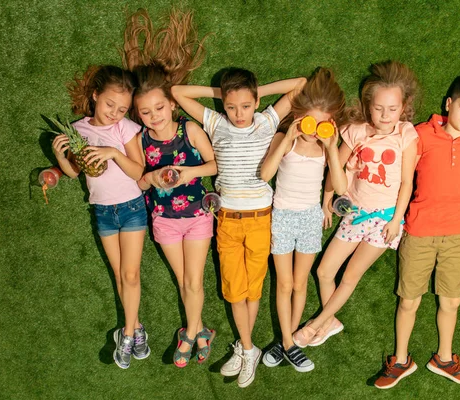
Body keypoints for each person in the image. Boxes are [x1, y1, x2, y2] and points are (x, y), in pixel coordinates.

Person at [373, 73, 460, 389]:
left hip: (456, 236)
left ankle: (444, 359)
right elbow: (401, 179)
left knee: (451, 302)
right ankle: (399, 361)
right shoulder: (420, 135)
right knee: (408, 300)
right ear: (449, 104)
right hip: (418, 232)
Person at [172, 69, 305, 387]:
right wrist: (222, 93)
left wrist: (255, 90)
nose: (239, 113)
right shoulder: (215, 122)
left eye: (246, 105)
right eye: (231, 107)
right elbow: (177, 92)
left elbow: (301, 86)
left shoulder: (267, 120)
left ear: (256, 101)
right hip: (227, 220)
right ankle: (248, 348)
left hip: (261, 218)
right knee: (233, 290)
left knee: (253, 288)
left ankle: (246, 349)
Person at [292, 61, 419, 351]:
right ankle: (331, 322)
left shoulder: (406, 134)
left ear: (403, 108)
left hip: (386, 217)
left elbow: (407, 183)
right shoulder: (356, 131)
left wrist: (396, 220)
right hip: (356, 214)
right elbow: (336, 167)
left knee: (350, 275)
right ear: (368, 105)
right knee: (324, 272)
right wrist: (326, 201)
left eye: (392, 109)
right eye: (378, 108)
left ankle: (315, 325)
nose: (385, 115)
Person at [122, 8, 217, 368]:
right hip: (162, 219)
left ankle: (189, 334)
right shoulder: (140, 140)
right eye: (145, 112)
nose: (154, 116)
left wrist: (187, 171)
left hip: (196, 215)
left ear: (172, 103)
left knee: (193, 281)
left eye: (159, 107)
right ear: (138, 115)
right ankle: (200, 330)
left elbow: (216, 164)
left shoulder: (188, 130)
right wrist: (153, 177)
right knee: (184, 281)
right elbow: (139, 177)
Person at [52, 65, 149, 369]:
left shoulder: (124, 129)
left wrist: (113, 153)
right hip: (103, 211)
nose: (115, 113)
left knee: (131, 275)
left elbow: (139, 171)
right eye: (110, 104)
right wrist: (59, 156)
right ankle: (137, 327)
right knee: (121, 276)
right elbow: (73, 172)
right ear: (95, 95)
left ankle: (129, 334)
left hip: (132, 206)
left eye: (122, 109)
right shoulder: (79, 130)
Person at [259, 68, 347, 372]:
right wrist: (288, 139)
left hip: (310, 218)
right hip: (282, 217)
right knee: (283, 283)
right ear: (299, 117)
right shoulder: (287, 139)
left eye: (322, 125)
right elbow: (265, 174)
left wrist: (332, 149)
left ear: (331, 124)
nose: (314, 130)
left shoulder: (327, 149)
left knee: (299, 283)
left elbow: (341, 186)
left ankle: (287, 342)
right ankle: (288, 342)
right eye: (310, 122)